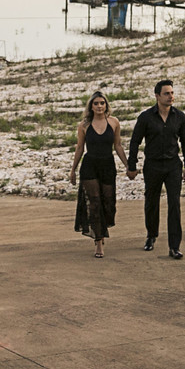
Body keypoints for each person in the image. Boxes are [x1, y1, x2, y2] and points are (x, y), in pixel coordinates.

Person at [127, 79, 185, 259]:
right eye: (166, 93)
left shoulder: (179, 116)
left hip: (173, 165)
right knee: (151, 202)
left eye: (172, 93)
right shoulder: (146, 117)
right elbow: (135, 142)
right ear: (157, 96)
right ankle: (151, 235)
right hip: (153, 165)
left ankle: (174, 247)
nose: (171, 96)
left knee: (174, 204)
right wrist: (131, 166)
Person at [69, 91, 129, 258]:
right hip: (90, 166)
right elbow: (80, 147)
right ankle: (98, 242)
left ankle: (101, 231)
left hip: (108, 165)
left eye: (102, 103)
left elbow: (118, 145)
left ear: (106, 105)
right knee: (94, 202)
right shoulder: (84, 125)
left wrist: (128, 165)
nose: (99, 106)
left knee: (108, 202)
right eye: (96, 103)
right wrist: (73, 170)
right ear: (91, 106)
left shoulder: (114, 122)